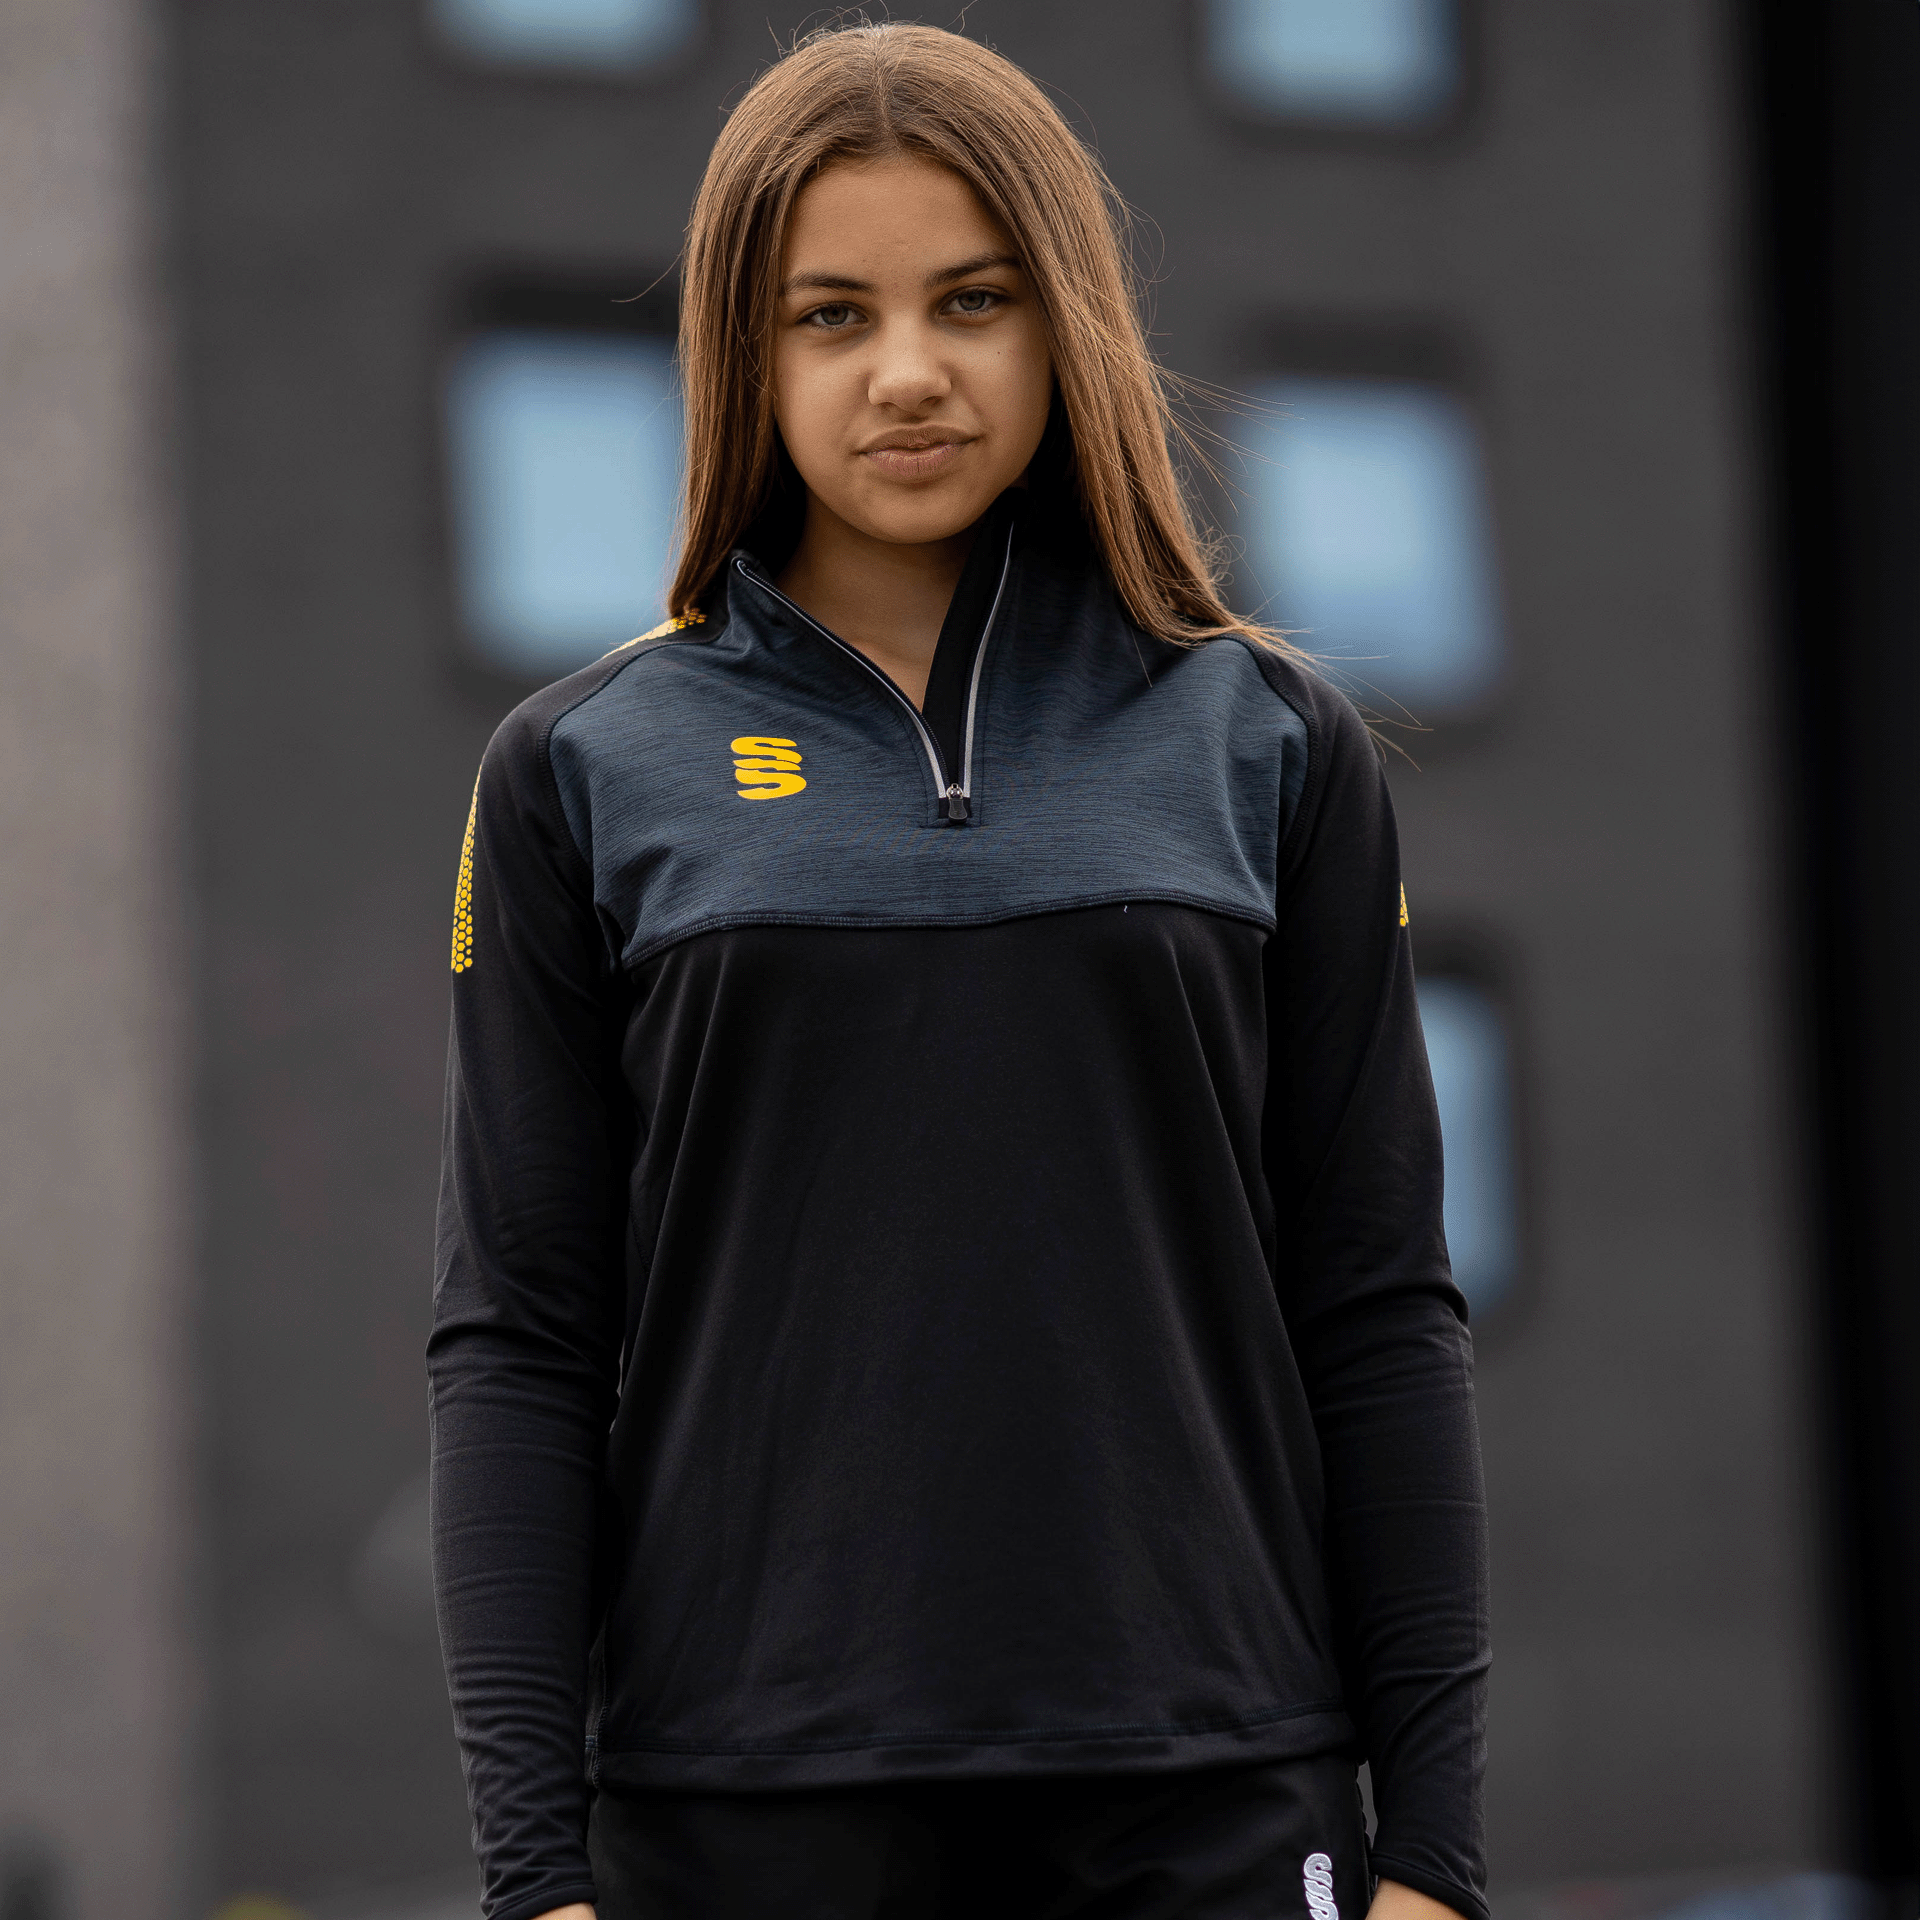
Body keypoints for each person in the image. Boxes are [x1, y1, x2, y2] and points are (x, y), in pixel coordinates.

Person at [430, 22, 1488, 1920]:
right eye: (830, 316)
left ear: (1064, 321)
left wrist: (1436, 1858)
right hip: (739, 1811)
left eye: (973, 301)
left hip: (1215, 1797)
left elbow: (1380, 1302)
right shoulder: (579, 770)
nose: (907, 372)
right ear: (744, 356)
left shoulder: (1267, 744)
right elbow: (521, 1339)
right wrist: (533, 1879)